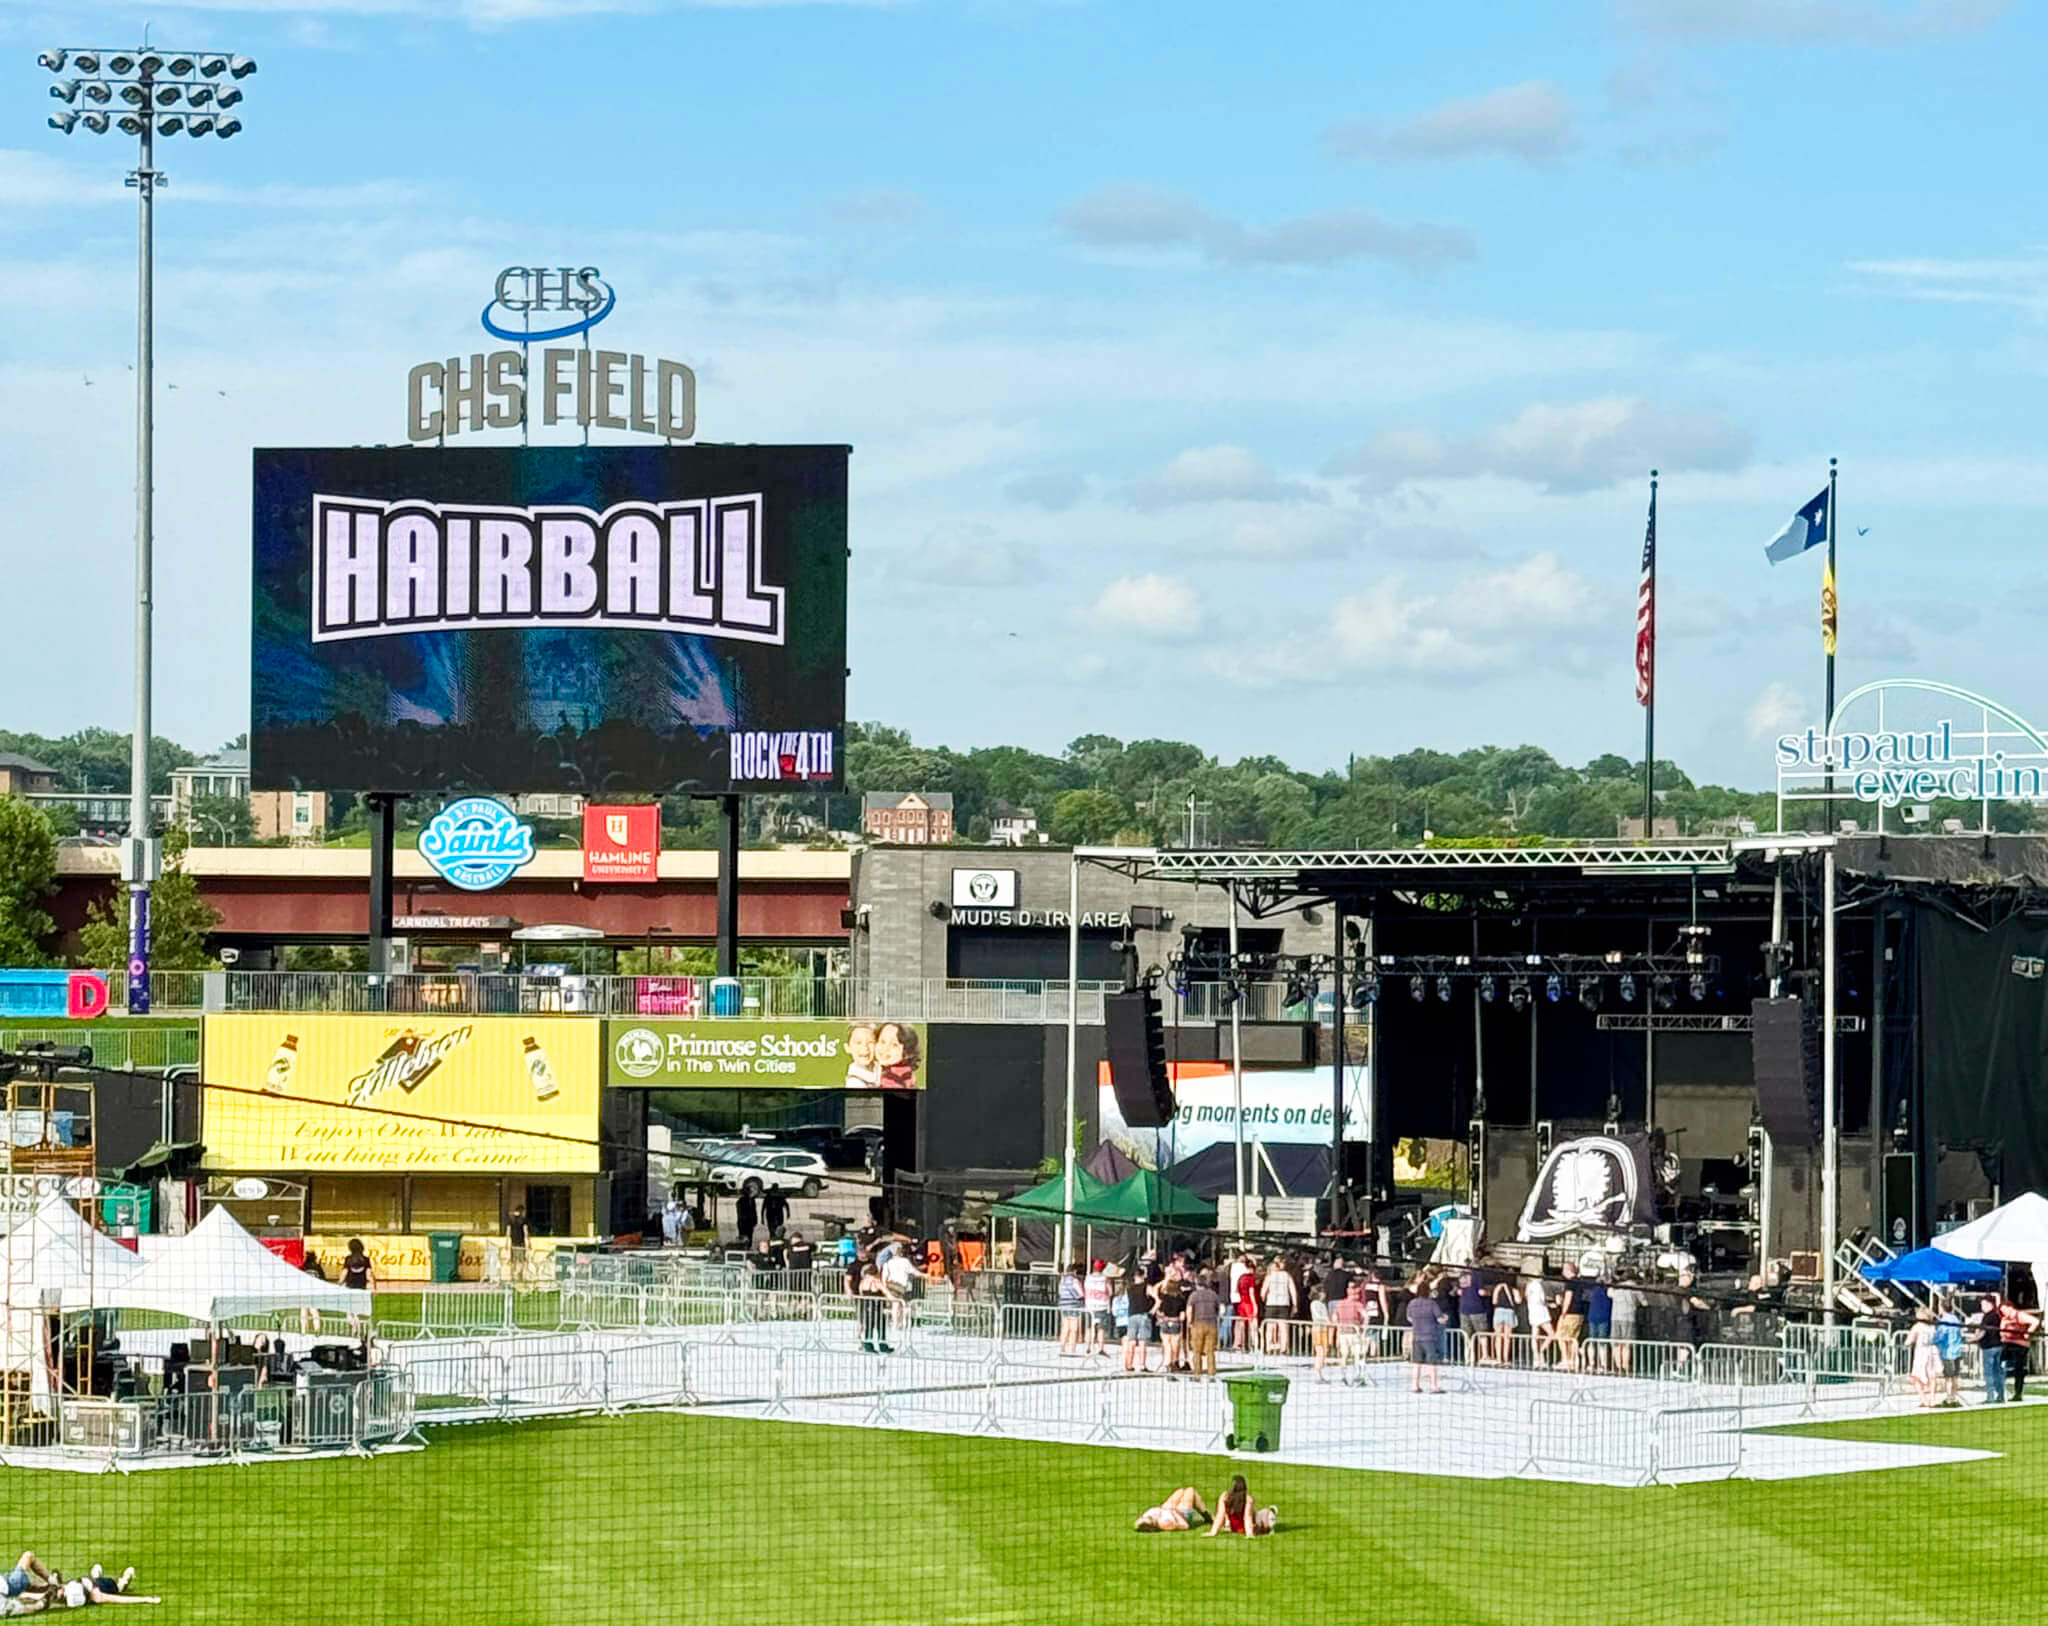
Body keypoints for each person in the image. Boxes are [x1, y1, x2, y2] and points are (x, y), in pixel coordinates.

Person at [1406, 1272, 1447, 1393]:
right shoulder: (1431, 1303)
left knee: (1416, 1363)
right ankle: (1434, 1386)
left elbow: (1409, 1318)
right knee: (1432, 1362)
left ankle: (1415, 1385)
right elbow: (1440, 1318)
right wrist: (1445, 1318)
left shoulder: (1412, 1303)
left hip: (1416, 1336)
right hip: (1429, 1336)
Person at [1204, 1474, 1276, 1538]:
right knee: (1267, 1512)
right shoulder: (1248, 1498)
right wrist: (1249, 1533)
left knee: (1261, 1513)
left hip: (1235, 1528)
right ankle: (1271, 1515)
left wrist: (1213, 1532)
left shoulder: (1225, 1496)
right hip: (1247, 1527)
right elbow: (1248, 1517)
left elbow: (1220, 1516)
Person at [1998, 1295, 2038, 1402]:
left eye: (2004, 1310)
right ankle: (2000, 1392)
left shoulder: (2020, 1315)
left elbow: (2035, 1321)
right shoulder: (2004, 1319)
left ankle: (2018, 1393)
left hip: (2020, 1345)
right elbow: (2002, 1332)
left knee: (2018, 1370)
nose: (2003, 1313)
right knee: (1999, 1364)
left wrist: (2027, 1333)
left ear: (2010, 1307)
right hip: (2007, 1345)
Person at [1186, 1272, 1222, 1379]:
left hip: (1198, 1323)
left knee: (1197, 1351)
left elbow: (1189, 1310)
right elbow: (1219, 1309)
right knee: (1210, 1351)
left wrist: (1189, 1323)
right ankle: (1212, 1374)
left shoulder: (1194, 1295)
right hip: (1211, 1324)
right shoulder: (1213, 1294)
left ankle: (1197, 1374)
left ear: (1197, 1283)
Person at [1259, 1256, 1297, 1356]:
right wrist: (1295, 1304)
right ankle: (1284, 1348)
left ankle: (1268, 1347)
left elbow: (1263, 1292)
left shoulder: (1269, 1276)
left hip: (1271, 1303)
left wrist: (1263, 1300)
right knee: (1283, 1327)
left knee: (1270, 1326)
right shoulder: (1287, 1276)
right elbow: (1293, 1291)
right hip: (1284, 1303)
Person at [856, 1252, 892, 1355]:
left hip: (866, 1305)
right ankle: (882, 1345)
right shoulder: (876, 1281)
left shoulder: (863, 1282)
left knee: (869, 1326)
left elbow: (860, 1292)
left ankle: (868, 1345)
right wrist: (894, 1300)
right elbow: (885, 1291)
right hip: (877, 1306)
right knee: (880, 1326)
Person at [1554, 1262, 1586, 1372]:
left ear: (1568, 1270)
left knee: (1561, 1336)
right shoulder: (1581, 1282)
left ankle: (1565, 1359)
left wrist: (1563, 1312)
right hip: (1580, 1313)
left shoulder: (1570, 1283)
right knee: (1573, 1338)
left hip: (1570, 1313)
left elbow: (1568, 1297)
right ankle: (1572, 1360)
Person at [1155, 1269, 1187, 1378]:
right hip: (1175, 1322)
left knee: (1166, 1344)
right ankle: (1173, 1363)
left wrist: (1166, 1278)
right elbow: (1183, 1316)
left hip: (1165, 1321)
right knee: (1175, 1345)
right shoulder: (1181, 1298)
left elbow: (1158, 1290)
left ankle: (1167, 1363)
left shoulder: (1164, 1297)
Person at [1934, 1297, 1966, 1407]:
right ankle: (1954, 1397)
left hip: (1948, 1352)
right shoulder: (1956, 1319)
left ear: (1942, 1307)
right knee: (1955, 1376)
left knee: (1948, 1377)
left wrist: (1934, 1341)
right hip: (1957, 1350)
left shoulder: (1944, 1321)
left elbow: (1941, 1335)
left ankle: (1949, 1399)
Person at [1123, 1269, 1156, 1375]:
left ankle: (1129, 1364)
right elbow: (1157, 1299)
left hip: (1132, 1315)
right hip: (1143, 1315)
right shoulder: (1147, 1287)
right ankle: (1142, 1365)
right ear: (1143, 1276)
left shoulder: (1129, 1288)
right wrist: (1152, 1311)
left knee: (1131, 1341)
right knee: (1142, 1342)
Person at [1976, 1293, 2007, 1404]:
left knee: (1989, 1373)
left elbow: (1982, 1332)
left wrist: (1973, 1339)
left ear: (1990, 1304)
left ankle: (1990, 1397)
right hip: (1998, 1346)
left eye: (1983, 1304)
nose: (1982, 1306)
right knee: (1997, 1372)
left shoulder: (1988, 1316)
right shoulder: (1997, 1315)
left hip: (1989, 1347)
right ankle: (2000, 1395)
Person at [1135, 1487, 1210, 1532]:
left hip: (1167, 1508)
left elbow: (1137, 1524)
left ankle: (1207, 1516)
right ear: (1153, 1524)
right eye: (1150, 1518)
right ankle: (1207, 1516)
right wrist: (1176, 1517)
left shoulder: (1147, 1518)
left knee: (1180, 1491)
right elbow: (1185, 1526)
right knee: (1190, 1490)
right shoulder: (1164, 1524)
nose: (1150, 1516)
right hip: (1181, 1513)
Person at [1907, 1307, 1941, 1406]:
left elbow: (1909, 1340)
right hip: (1931, 1351)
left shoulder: (1917, 1326)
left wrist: (1907, 1342)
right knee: (1932, 1376)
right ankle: (1932, 1398)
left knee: (1916, 1377)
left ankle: (1924, 1399)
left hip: (1921, 1352)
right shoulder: (1932, 1327)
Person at [1609, 1276, 1642, 1373]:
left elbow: (1609, 1293)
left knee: (1616, 1343)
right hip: (1629, 1317)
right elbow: (1643, 1301)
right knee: (1627, 1344)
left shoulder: (1615, 1287)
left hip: (1615, 1317)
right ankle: (1625, 1366)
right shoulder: (1635, 1287)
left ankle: (1617, 1366)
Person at [874, 1023, 921, 1090]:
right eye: (882, 1041)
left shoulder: (891, 1078)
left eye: (894, 1045)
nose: (885, 1048)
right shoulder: (905, 1071)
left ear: (907, 1051)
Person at [1584, 1270, 1613, 1372]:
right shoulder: (1609, 1291)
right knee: (1602, 1342)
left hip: (1592, 1317)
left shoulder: (1593, 1290)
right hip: (1604, 1318)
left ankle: (1591, 1364)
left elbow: (1586, 1298)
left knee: (1592, 1341)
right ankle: (1603, 1365)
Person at [1457, 1271, 1489, 1365]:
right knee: (1482, 1334)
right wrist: (1488, 1292)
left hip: (1463, 1310)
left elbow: (1459, 1292)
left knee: (1467, 1336)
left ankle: (1468, 1358)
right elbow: (1481, 1292)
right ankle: (1484, 1356)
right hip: (1477, 1309)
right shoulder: (1478, 1276)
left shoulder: (1461, 1275)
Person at [1084, 1259, 1114, 1358]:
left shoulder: (1088, 1278)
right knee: (1101, 1328)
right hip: (1101, 1306)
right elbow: (1110, 1292)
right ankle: (1100, 1348)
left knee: (1089, 1327)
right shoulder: (1105, 1279)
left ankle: (1088, 1347)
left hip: (1089, 1306)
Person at [1489, 1275, 1520, 1367]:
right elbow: (1518, 1300)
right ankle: (1506, 1359)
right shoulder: (1514, 1289)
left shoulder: (1497, 1288)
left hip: (1498, 1311)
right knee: (1507, 1337)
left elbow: (1494, 1301)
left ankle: (1498, 1359)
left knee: (1498, 1336)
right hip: (1509, 1312)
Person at [1231, 1255, 1259, 1353]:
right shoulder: (1250, 1279)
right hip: (1249, 1303)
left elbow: (1236, 1289)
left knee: (1241, 1323)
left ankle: (1240, 1343)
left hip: (1241, 1302)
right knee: (1253, 1324)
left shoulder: (1240, 1278)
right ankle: (1253, 1344)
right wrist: (1255, 1305)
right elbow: (1251, 1293)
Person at [1524, 1268, 1553, 1365]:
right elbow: (1540, 1300)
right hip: (1541, 1312)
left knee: (1535, 1336)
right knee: (1551, 1334)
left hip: (1532, 1312)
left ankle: (1537, 1359)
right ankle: (1541, 1351)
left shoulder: (1529, 1286)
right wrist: (1549, 1303)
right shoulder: (1538, 1286)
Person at [1057, 1260, 1084, 1356]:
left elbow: (1060, 1292)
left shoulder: (1062, 1280)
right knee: (1073, 1328)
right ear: (1074, 1271)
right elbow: (1080, 1293)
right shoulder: (1074, 1280)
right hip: (1073, 1305)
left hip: (1063, 1304)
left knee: (1065, 1327)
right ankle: (1072, 1348)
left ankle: (1062, 1347)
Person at [843, 1023, 882, 1089]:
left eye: (870, 1042)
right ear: (847, 1048)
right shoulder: (854, 1083)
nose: (865, 1048)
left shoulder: (881, 1067)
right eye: (858, 1042)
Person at [506, 1207, 530, 1282]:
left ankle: (512, 1275)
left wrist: (506, 1242)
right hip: (521, 1243)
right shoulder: (523, 1220)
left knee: (513, 1260)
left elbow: (508, 1232)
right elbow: (526, 1232)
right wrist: (529, 1242)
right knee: (521, 1260)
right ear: (521, 1211)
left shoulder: (510, 1220)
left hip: (513, 1243)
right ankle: (520, 1275)